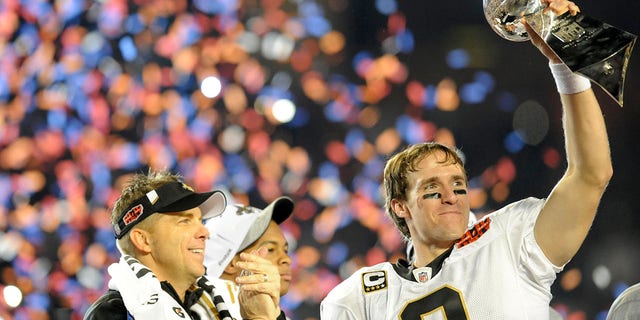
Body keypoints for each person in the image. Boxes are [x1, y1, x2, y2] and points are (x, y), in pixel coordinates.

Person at [320, 0, 613, 318]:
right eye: (432, 188)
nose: (450, 197)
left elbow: (591, 174)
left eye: (458, 186)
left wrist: (565, 67)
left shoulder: (510, 241)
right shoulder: (360, 296)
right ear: (400, 206)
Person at [84, 170, 284, 320]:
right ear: (143, 240)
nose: (204, 233)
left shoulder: (222, 302)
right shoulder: (113, 314)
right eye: (185, 221)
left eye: (201, 221)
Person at [204, 196, 295, 319]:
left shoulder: (274, 313)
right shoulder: (202, 311)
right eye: (270, 249)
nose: (287, 259)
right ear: (232, 263)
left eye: (286, 250)